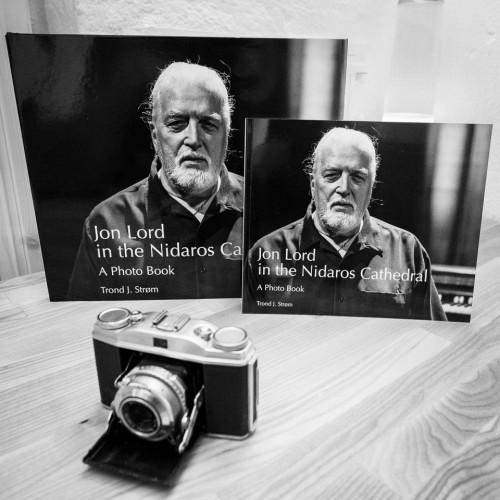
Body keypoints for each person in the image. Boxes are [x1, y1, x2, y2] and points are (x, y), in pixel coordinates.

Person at [67, 62, 243, 300]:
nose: (193, 138)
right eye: (176, 123)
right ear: (155, 136)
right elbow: (83, 319)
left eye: (208, 124)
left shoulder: (264, 209)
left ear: (226, 136)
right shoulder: (106, 222)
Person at [244, 127, 447, 320]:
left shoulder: (409, 251)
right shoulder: (265, 253)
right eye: (332, 175)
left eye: (357, 177)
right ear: (313, 184)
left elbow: (432, 336)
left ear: (371, 189)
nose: (344, 188)